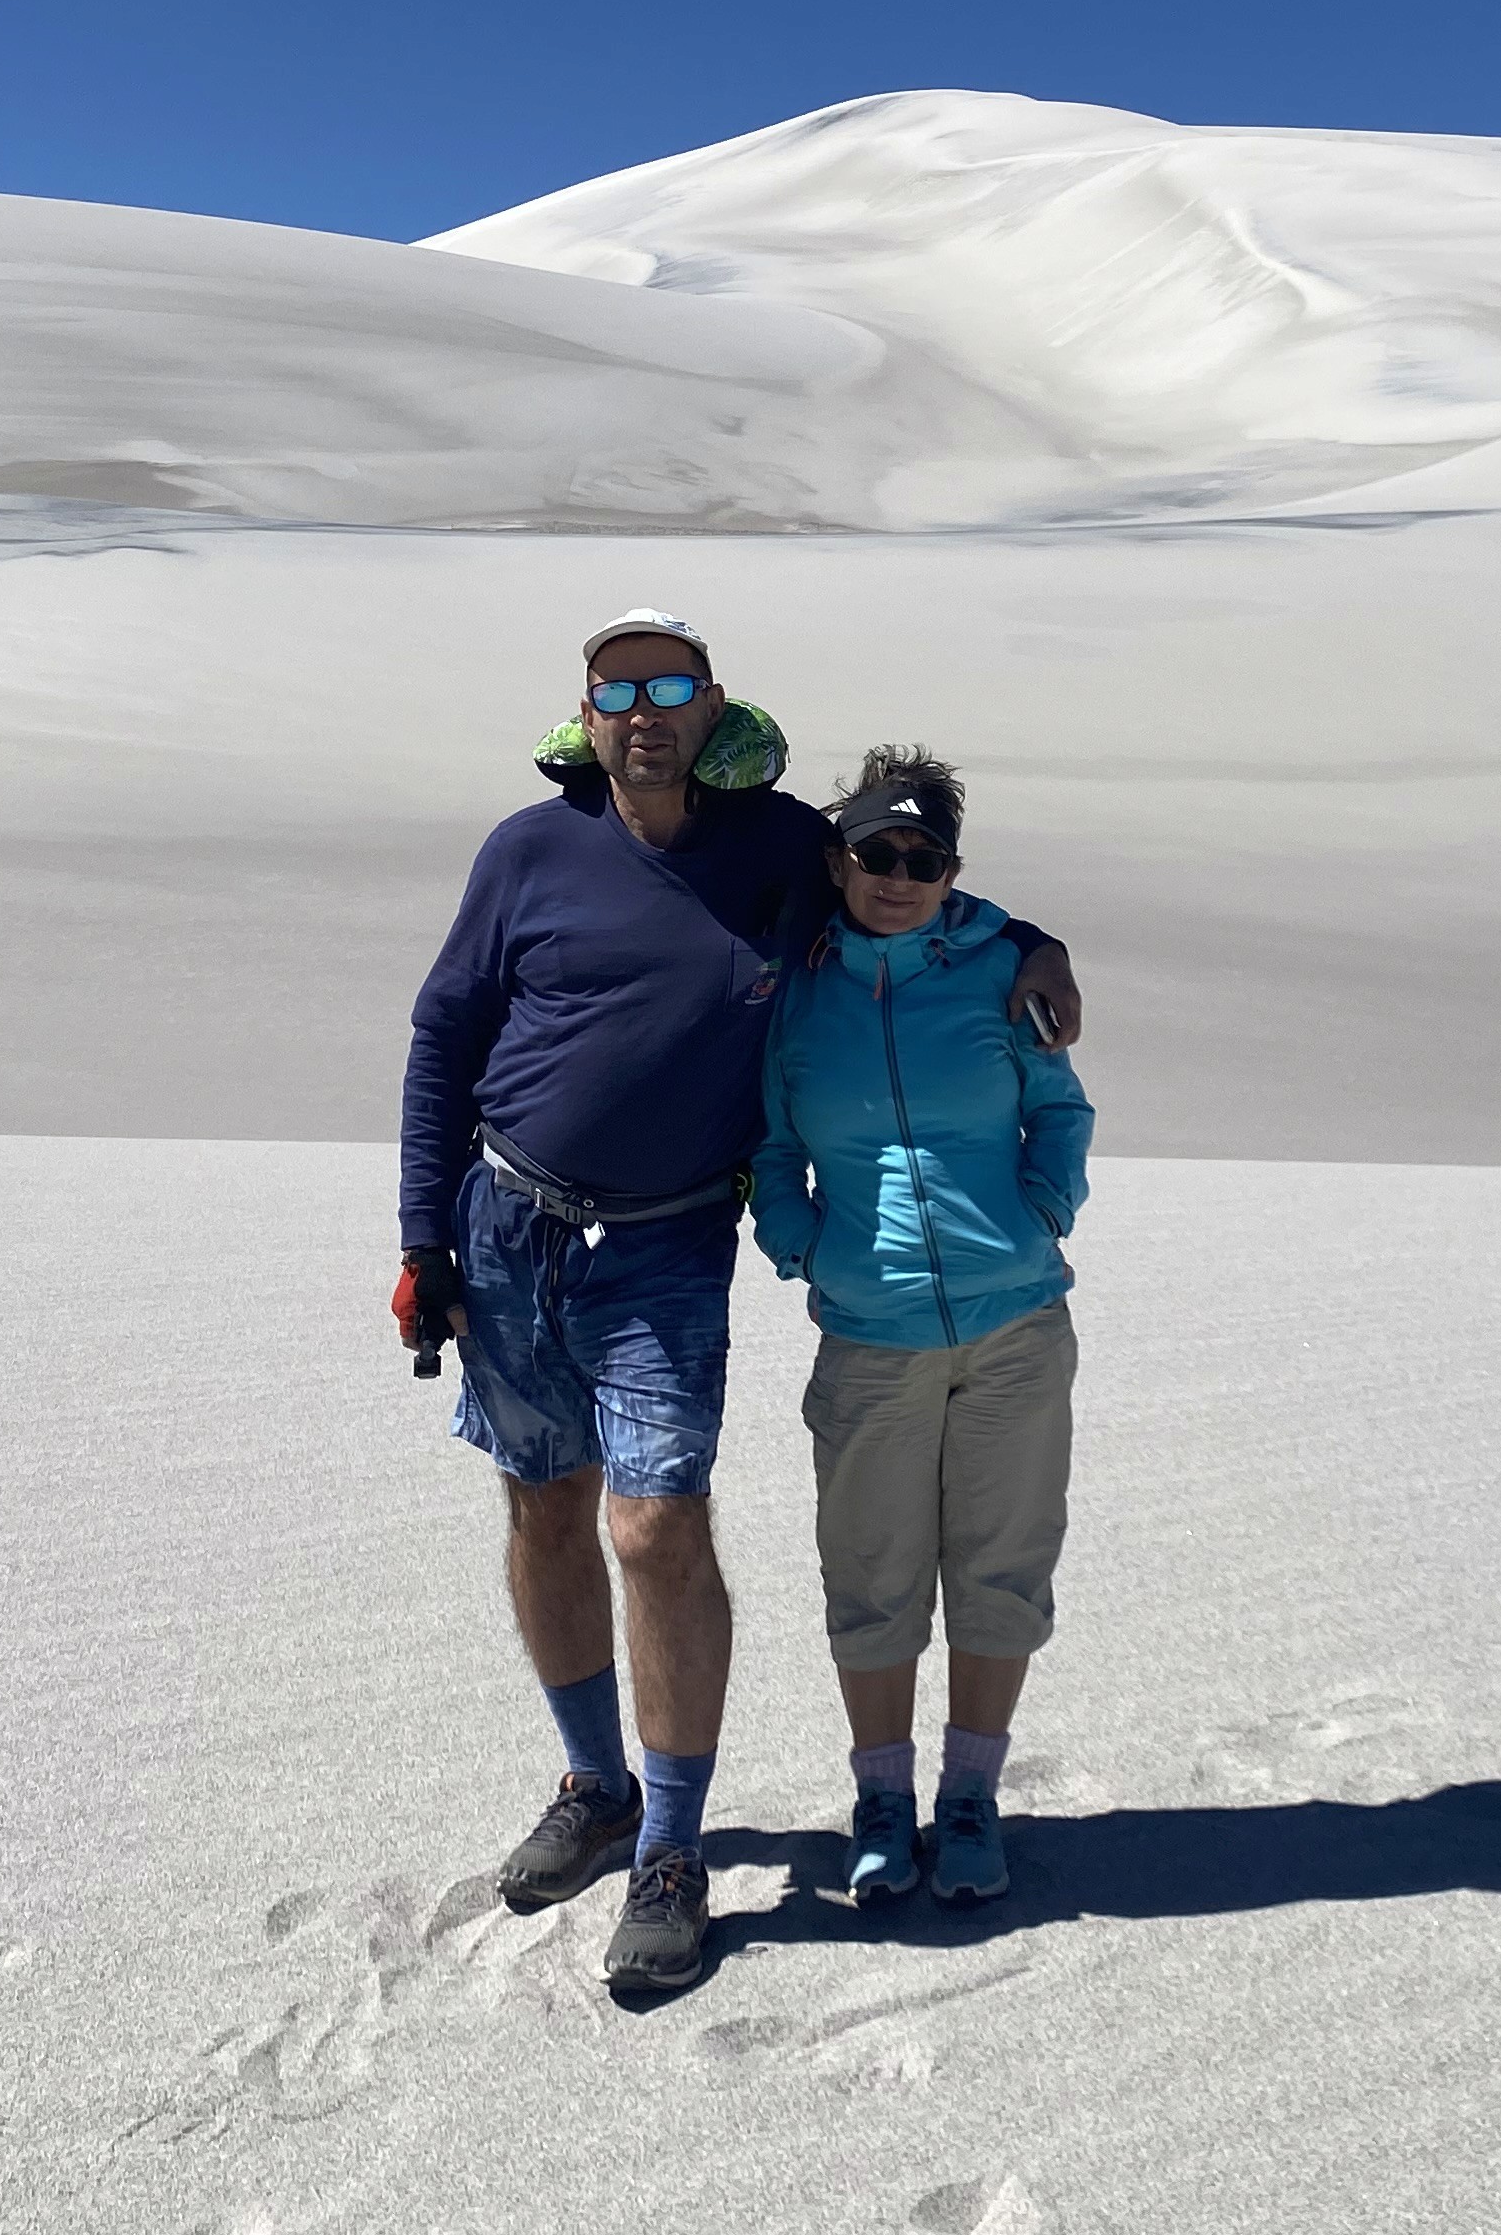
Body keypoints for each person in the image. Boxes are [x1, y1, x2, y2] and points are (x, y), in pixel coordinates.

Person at [394, 612, 1081, 1995]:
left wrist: (1038, 942)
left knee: (654, 1527)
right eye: (617, 691)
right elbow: (444, 1032)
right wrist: (424, 1239)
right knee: (543, 1504)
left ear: (713, 709)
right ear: (585, 716)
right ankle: (592, 1783)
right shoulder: (527, 851)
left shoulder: (774, 847)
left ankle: (669, 1843)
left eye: (672, 689)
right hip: (512, 1222)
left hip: (668, 1240)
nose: (645, 713)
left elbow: (911, 897)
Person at [750, 747, 1093, 1912]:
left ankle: (971, 1799)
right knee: (873, 1575)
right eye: (877, 855)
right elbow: (771, 1145)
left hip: (1014, 1328)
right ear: (838, 859)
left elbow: (1060, 1110)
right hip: (870, 1331)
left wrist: (1041, 1212)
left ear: (953, 869)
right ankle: (883, 1803)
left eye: (924, 859)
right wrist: (801, 1245)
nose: (899, 878)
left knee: (1001, 1572)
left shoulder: (1000, 970)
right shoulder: (796, 989)